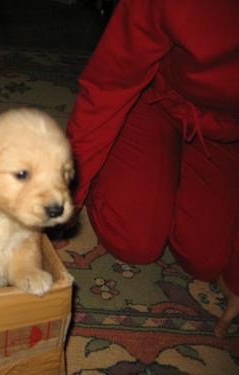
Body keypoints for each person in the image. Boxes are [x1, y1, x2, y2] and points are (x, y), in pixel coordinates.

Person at [67, 0, 238, 337]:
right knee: (134, 242)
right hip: (155, 96)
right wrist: (65, 195)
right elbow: (107, 87)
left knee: (205, 261)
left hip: (227, 131)